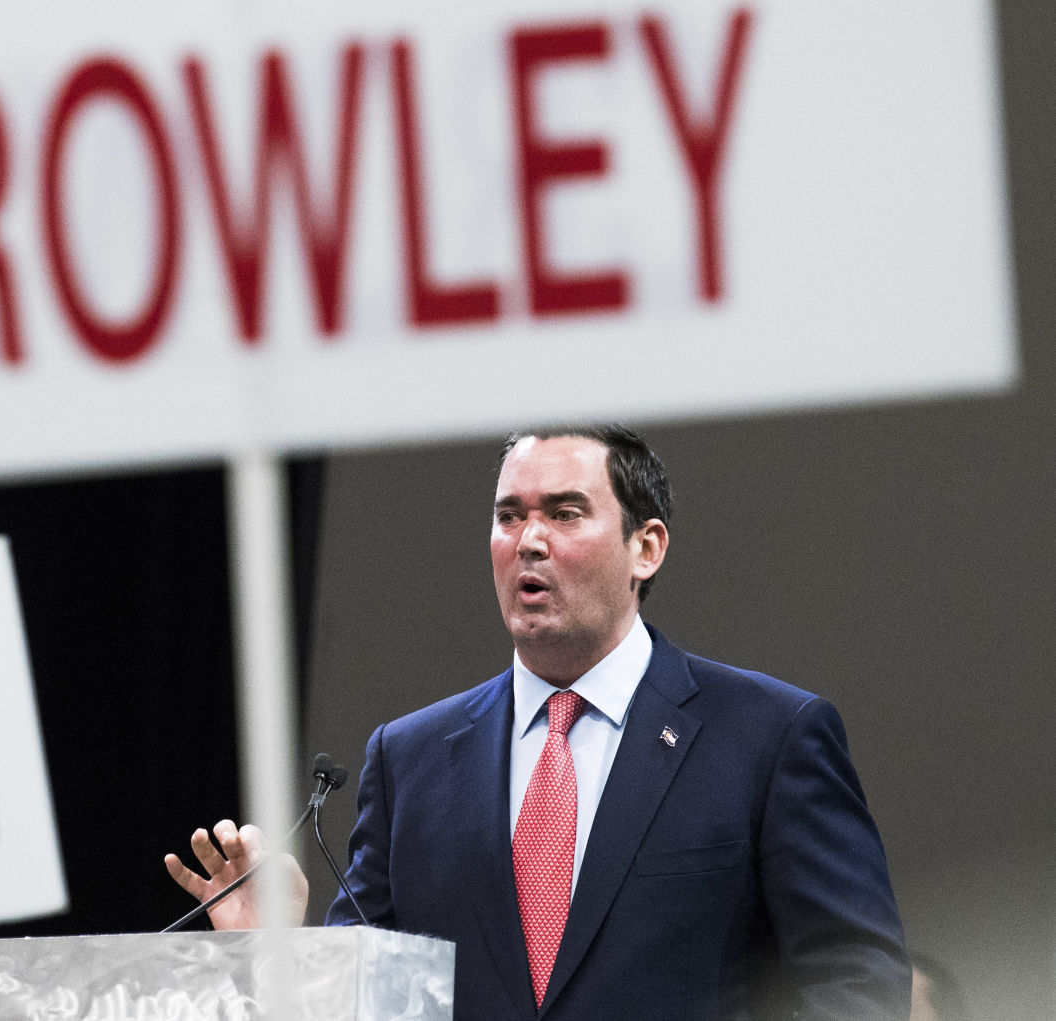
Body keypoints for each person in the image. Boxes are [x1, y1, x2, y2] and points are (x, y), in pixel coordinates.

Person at [167, 424, 912, 1020]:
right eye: (508, 515)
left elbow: (856, 980)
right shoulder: (411, 758)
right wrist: (269, 953)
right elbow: (376, 1002)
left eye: (563, 512)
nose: (528, 539)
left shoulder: (769, 736)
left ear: (645, 548)